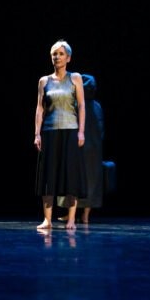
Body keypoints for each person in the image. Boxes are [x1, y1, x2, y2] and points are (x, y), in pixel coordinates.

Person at [34, 39, 87, 231]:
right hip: (49, 132)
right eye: (54, 54)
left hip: (70, 131)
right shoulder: (44, 81)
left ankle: (72, 219)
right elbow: (40, 109)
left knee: (71, 175)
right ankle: (48, 220)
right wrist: (37, 134)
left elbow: (81, 105)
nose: (57, 57)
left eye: (61, 53)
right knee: (48, 177)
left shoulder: (76, 78)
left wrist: (81, 131)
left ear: (68, 58)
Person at [56, 73, 104, 225]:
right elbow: (102, 128)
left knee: (73, 179)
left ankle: (72, 214)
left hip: (77, 147)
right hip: (94, 149)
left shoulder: (74, 103)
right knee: (91, 181)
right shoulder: (97, 106)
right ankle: (86, 216)